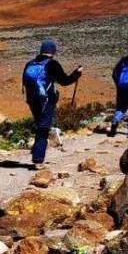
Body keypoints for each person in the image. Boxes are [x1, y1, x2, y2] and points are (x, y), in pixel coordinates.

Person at [22, 39, 82, 168]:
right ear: (53, 51)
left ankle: (36, 150)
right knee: (43, 128)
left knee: (40, 125)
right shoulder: (52, 64)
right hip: (46, 101)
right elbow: (65, 81)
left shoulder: (30, 63)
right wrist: (77, 74)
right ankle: (38, 159)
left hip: (32, 100)